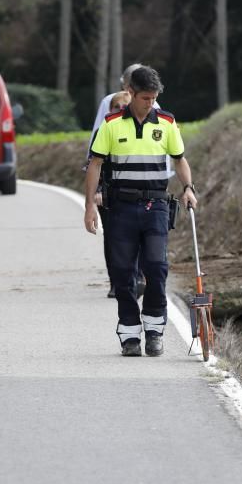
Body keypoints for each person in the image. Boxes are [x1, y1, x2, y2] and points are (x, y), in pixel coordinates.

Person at [84, 65, 197, 357]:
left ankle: (155, 331)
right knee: (123, 275)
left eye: (154, 97)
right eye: (146, 98)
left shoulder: (167, 123)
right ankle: (130, 335)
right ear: (131, 93)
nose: (151, 103)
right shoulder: (110, 124)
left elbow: (180, 159)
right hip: (120, 208)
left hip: (156, 206)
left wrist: (188, 187)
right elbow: (95, 164)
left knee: (157, 269)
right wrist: (89, 207)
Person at [93, 91, 131, 298]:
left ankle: (134, 278)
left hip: (133, 194)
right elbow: (93, 164)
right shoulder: (104, 130)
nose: (120, 110)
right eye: (116, 107)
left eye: (124, 107)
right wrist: (98, 190)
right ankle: (115, 282)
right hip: (107, 194)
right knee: (113, 239)